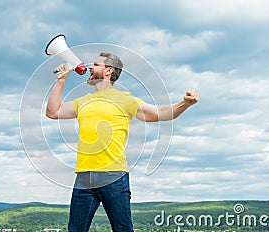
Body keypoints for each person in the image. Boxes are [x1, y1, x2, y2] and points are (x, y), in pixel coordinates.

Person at [45, 52, 199, 232]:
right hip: (84, 178)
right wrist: (61, 81)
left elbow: (159, 113)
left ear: (109, 70)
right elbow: (52, 112)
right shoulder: (83, 102)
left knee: (123, 229)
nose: (90, 67)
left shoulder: (125, 99)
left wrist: (184, 104)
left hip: (114, 176)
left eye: (95, 64)